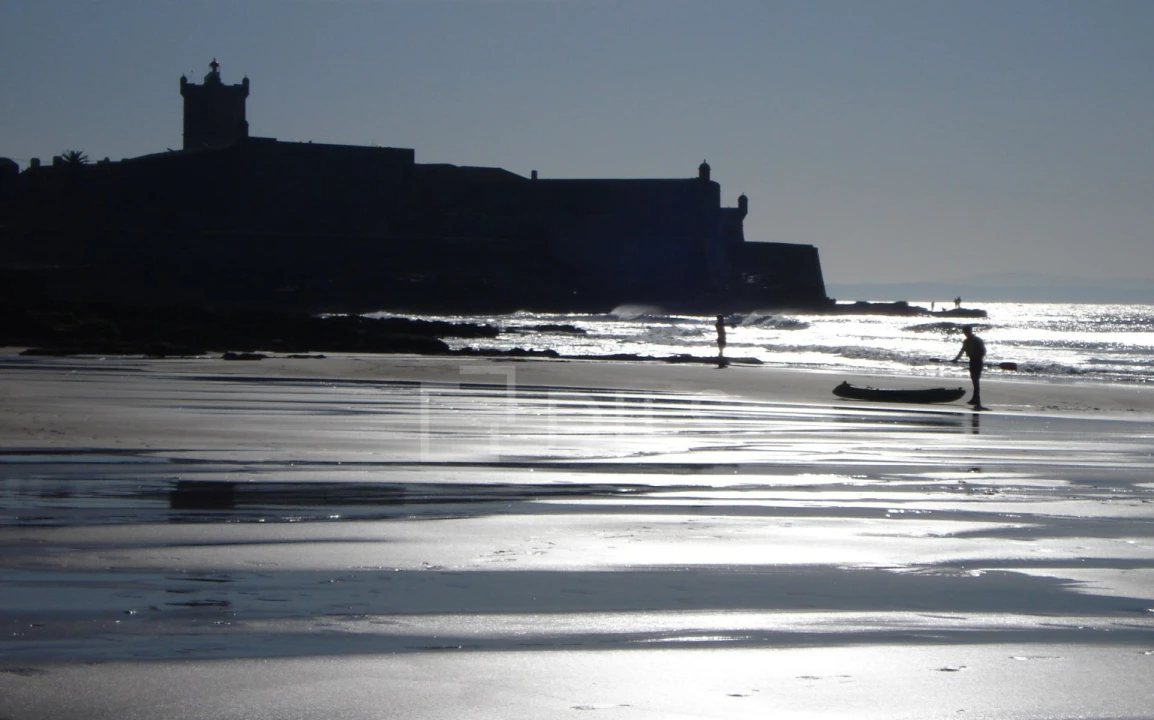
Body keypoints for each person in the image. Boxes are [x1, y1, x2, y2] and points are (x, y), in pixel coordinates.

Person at [952, 325, 986, 409]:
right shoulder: (966, 341)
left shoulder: (977, 340)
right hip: (972, 361)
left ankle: (978, 402)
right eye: (964, 331)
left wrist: (977, 357)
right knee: (974, 381)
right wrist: (956, 359)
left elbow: (983, 351)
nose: (965, 333)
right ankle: (974, 399)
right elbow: (962, 350)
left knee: (976, 381)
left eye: (966, 331)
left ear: (970, 331)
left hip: (977, 361)